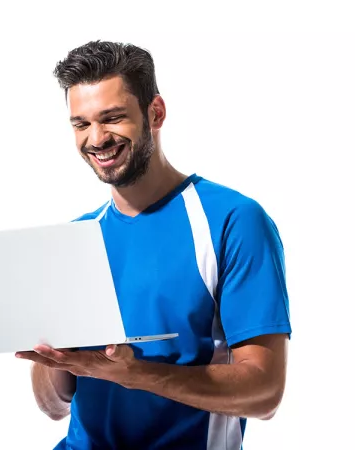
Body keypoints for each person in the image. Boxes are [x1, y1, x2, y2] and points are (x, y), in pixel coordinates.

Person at [15, 40, 292, 450]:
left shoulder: (231, 221)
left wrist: (137, 374)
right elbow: (54, 405)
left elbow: (265, 393)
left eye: (112, 118)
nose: (96, 139)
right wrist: (53, 356)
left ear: (155, 113)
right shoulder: (74, 240)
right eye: (81, 124)